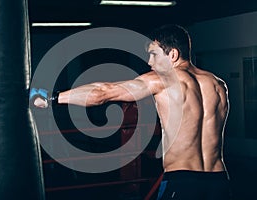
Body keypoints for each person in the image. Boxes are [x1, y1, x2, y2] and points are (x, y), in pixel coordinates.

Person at [30, 24, 232, 200]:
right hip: (219, 181)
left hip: (183, 181)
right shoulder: (218, 85)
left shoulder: (163, 80)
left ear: (172, 54)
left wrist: (52, 98)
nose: (150, 62)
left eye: (154, 54)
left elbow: (103, 93)